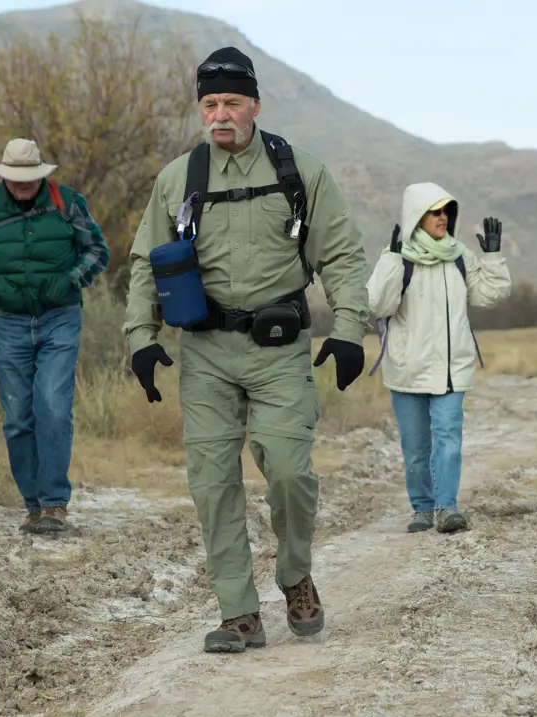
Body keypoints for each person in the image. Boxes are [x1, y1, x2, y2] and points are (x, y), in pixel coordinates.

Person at [123, 47, 370, 654]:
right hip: (204, 351)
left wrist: (348, 329)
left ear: (255, 104)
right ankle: (239, 612)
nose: (220, 115)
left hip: (279, 349)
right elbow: (144, 264)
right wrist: (141, 339)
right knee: (212, 483)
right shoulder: (178, 179)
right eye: (209, 104)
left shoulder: (299, 172)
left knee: (287, 471)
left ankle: (295, 576)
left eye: (232, 102)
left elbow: (340, 255)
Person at [0, 137, 110, 535]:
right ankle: (33, 506)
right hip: (7, 323)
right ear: (5, 176)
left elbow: (98, 250)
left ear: (40, 174)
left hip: (60, 317)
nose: (23, 185)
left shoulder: (68, 202)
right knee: (18, 419)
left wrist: (71, 280)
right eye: (16, 178)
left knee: (54, 407)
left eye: (29, 177)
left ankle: (54, 504)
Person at [366, 182, 512, 534]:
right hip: (407, 369)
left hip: (451, 368)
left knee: (448, 439)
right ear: (417, 215)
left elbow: (489, 295)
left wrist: (492, 258)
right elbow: (378, 305)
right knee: (416, 447)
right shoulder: (396, 258)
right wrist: (391, 258)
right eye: (435, 211)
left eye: (447, 210)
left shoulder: (460, 256)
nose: (443, 217)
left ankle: (447, 507)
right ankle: (422, 507)